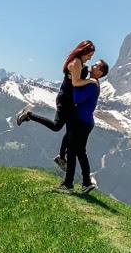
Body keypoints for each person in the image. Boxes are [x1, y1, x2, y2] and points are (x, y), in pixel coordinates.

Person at [16, 39, 97, 170]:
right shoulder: (76, 62)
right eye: (89, 55)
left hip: (70, 101)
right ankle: (29, 115)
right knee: (57, 126)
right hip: (65, 100)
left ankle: (61, 157)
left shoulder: (79, 62)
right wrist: (91, 80)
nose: (89, 58)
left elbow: (76, 81)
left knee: (70, 130)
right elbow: (76, 83)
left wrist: (85, 76)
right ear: (83, 51)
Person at [54, 59, 109, 194]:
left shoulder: (92, 85)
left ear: (100, 72)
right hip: (86, 122)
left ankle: (68, 184)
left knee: (72, 152)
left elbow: (77, 99)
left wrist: (75, 82)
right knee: (80, 152)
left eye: (96, 65)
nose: (92, 66)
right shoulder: (93, 83)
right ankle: (86, 183)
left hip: (81, 121)